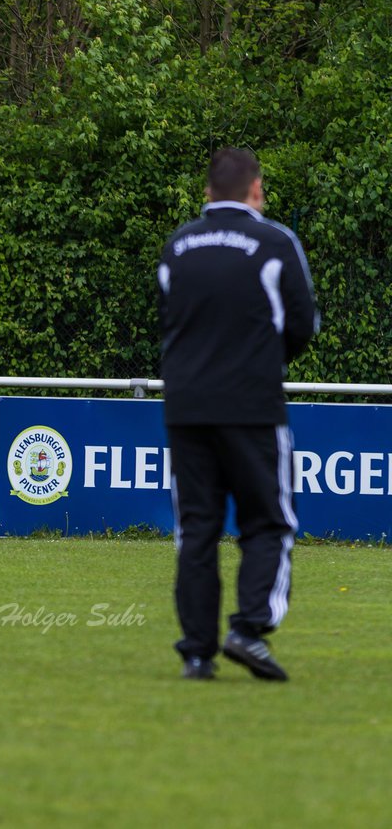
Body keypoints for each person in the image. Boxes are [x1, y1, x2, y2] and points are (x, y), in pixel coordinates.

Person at [159, 147, 319, 681]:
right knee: (269, 521)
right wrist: (260, 365)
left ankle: (198, 653)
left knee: (197, 527)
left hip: (187, 408)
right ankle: (248, 631)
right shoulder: (275, 242)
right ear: (256, 191)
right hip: (252, 406)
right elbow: (301, 325)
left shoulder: (178, 245)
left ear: (207, 193)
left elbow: (168, 319)